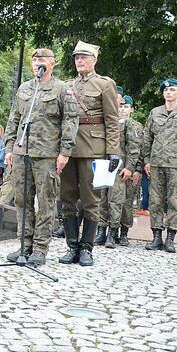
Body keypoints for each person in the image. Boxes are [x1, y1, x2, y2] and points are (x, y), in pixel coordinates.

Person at [3, 48, 78, 266]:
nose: (38, 63)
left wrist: (65, 152)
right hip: (22, 153)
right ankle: (24, 245)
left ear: (52, 64)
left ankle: (40, 248)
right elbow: (13, 119)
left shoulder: (62, 89)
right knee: (22, 200)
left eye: (42, 60)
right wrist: (9, 147)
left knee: (45, 202)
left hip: (47, 155)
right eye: (35, 60)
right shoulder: (25, 88)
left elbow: (70, 122)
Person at [58, 41, 120, 267]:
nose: (80, 61)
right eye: (76, 58)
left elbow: (112, 120)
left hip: (94, 148)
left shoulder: (105, 84)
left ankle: (87, 249)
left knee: (91, 200)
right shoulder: (66, 85)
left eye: (84, 57)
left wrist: (113, 150)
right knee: (66, 198)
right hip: (68, 147)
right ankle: (72, 246)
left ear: (94, 60)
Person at [141, 79, 177, 253]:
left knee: (174, 201)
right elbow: (147, 138)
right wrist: (147, 160)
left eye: (172, 90)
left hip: (176, 165)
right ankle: (156, 236)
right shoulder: (155, 112)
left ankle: (171, 238)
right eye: (166, 90)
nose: (168, 92)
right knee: (155, 201)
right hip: (157, 164)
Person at [105, 95, 143, 247]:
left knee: (125, 202)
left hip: (125, 168)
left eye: (126, 106)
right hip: (108, 166)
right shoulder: (110, 122)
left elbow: (138, 149)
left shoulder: (134, 125)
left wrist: (134, 168)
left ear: (132, 109)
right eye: (121, 106)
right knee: (107, 200)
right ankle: (105, 231)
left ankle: (121, 232)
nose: (122, 109)